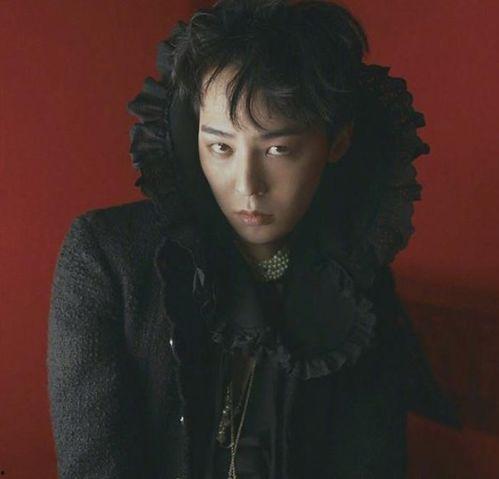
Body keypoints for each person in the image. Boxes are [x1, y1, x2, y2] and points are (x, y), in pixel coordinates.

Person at [47, 1, 462, 478]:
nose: (247, 184)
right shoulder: (106, 259)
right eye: (220, 147)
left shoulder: (356, 291)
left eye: (278, 149)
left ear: (337, 142)